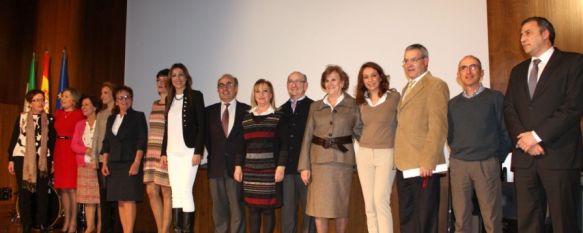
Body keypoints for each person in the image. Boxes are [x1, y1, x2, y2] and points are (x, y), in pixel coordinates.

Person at [504, 16, 583, 233]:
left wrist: (537, 136)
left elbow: (573, 107)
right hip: (524, 159)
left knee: (563, 223)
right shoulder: (518, 71)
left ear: (545, 33)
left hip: (558, 157)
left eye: (527, 32)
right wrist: (525, 139)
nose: (522, 38)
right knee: (528, 224)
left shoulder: (573, 62)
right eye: (520, 34)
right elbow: (509, 109)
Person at [448, 55, 511, 233]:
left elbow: (506, 132)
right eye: (463, 68)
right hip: (459, 165)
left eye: (473, 67)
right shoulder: (452, 104)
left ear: (481, 72)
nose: (468, 71)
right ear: (458, 75)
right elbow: (450, 135)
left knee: (492, 218)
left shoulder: (495, 98)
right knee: (461, 219)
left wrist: (496, 158)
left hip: (486, 164)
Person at [298, 65, 362, 233]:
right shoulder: (316, 106)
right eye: (326, 80)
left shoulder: (354, 105)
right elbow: (307, 136)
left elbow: (361, 133)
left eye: (334, 79)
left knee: (341, 208)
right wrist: (304, 166)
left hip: (342, 164)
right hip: (318, 164)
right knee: (320, 209)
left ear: (342, 82)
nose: (330, 83)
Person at [394, 44, 449, 233]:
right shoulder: (406, 88)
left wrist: (428, 161)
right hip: (404, 165)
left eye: (414, 59)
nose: (409, 64)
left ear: (425, 61)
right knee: (408, 218)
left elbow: (438, 126)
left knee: (425, 219)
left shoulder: (436, 85)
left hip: (422, 165)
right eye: (406, 60)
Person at [233, 79, 288, 233]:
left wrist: (281, 167)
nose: (261, 94)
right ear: (254, 95)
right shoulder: (246, 118)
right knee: (253, 210)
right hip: (250, 172)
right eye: (258, 91)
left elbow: (284, 144)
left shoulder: (278, 116)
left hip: (270, 171)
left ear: (271, 94)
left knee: (268, 210)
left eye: (265, 91)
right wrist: (238, 166)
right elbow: (240, 145)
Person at [354, 62, 400, 233]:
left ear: (381, 77)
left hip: (387, 154)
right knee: (369, 205)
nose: (370, 80)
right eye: (366, 77)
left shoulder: (394, 97)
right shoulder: (361, 102)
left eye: (374, 75)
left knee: (381, 201)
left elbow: (402, 124)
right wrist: (367, 140)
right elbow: (357, 127)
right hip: (364, 155)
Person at [160, 63, 205, 233]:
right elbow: (167, 128)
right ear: (170, 79)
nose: (177, 78)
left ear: (186, 77)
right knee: (175, 193)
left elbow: (202, 126)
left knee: (185, 191)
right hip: (172, 153)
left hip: (189, 152)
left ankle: (187, 230)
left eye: (181, 75)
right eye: (174, 75)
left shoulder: (195, 96)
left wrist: (199, 151)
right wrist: (163, 152)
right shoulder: (168, 99)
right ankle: (177, 229)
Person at [205, 74, 249, 233]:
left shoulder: (247, 110)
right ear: (217, 90)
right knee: (218, 209)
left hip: (237, 168)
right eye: (221, 85)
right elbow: (206, 140)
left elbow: (247, 140)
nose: (225, 88)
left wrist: (240, 163)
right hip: (215, 167)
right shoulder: (208, 111)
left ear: (236, 88)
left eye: (229, 84)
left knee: (237, 208)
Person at [7, 89, 56, 233]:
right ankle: (26, 224)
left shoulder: (50, 119)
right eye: (36, 100)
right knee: (24, 192)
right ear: (30, 103)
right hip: (22, 158)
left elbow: (52, 142)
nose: (40, 102)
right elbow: (14, 139)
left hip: (42, 159)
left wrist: (52, 161)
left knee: (42, 192)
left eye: (42, 99)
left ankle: (41, 224)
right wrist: (10, 160)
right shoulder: (21, 118)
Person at [101, 86, 148, 233]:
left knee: (129, 199)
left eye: (127, 97)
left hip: (130, 162)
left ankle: (129, 231)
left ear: (132, 99)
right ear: (116, 101)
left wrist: (136, 162)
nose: (124, 100)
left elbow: (142, 141)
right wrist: (104, 163)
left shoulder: (138, 116)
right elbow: (106, 143)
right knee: (120, 200)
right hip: (114, 164)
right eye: (121, 98)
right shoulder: (111, 118)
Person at [279, 71, 315, 233]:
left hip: (307, 170)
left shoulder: (315, 107)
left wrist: (309, 166)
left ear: (306, 85)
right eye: (290, 82)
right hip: (286, 171)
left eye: (298, 81)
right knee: (288, 215)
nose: (293, 85)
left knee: (310, 213)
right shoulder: (281, 110)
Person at [144, 69, 173, 233]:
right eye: (158, 81)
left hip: (165, 153)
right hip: (151, 152)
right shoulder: (154, 103)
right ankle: (161, 229)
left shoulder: (173, 103)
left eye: (164, 81)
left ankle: (164, 231)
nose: (161, 84)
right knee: (151, 191)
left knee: (166, 191)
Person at [54, 88, 85, 233]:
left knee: (73, 189)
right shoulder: (58, 114)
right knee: (63, 189)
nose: (62, 99)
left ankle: (74, 222)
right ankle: (66, 219)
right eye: (62, 97)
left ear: (74, 100)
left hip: (72, 152)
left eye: (66, 97)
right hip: (59, 150)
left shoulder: (79, 114)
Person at [71, 96, 103, 233]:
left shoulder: (102, 123)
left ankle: (101, 226)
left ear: (94, 107)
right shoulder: (80, 124)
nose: (83, 107)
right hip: (84, 165)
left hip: (99, 165)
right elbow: (74, 145)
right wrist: (87, 150)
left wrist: (96, 153)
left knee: (100, 199)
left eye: (86, 105)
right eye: (82, 105)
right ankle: (90, 227)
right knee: (89, 199)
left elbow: (104, 144)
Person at [93, 82, 122, 233]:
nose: (102, 96)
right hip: (101, 158)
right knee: (104, 196)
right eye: (101, 93)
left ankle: (117, 228)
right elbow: (96, 136)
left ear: (113, 94)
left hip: (115, 159)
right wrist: (94, 157)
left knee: (116, 196)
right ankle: (105, 228)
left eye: (105, 92)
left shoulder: (119, 113)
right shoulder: (100, 114)